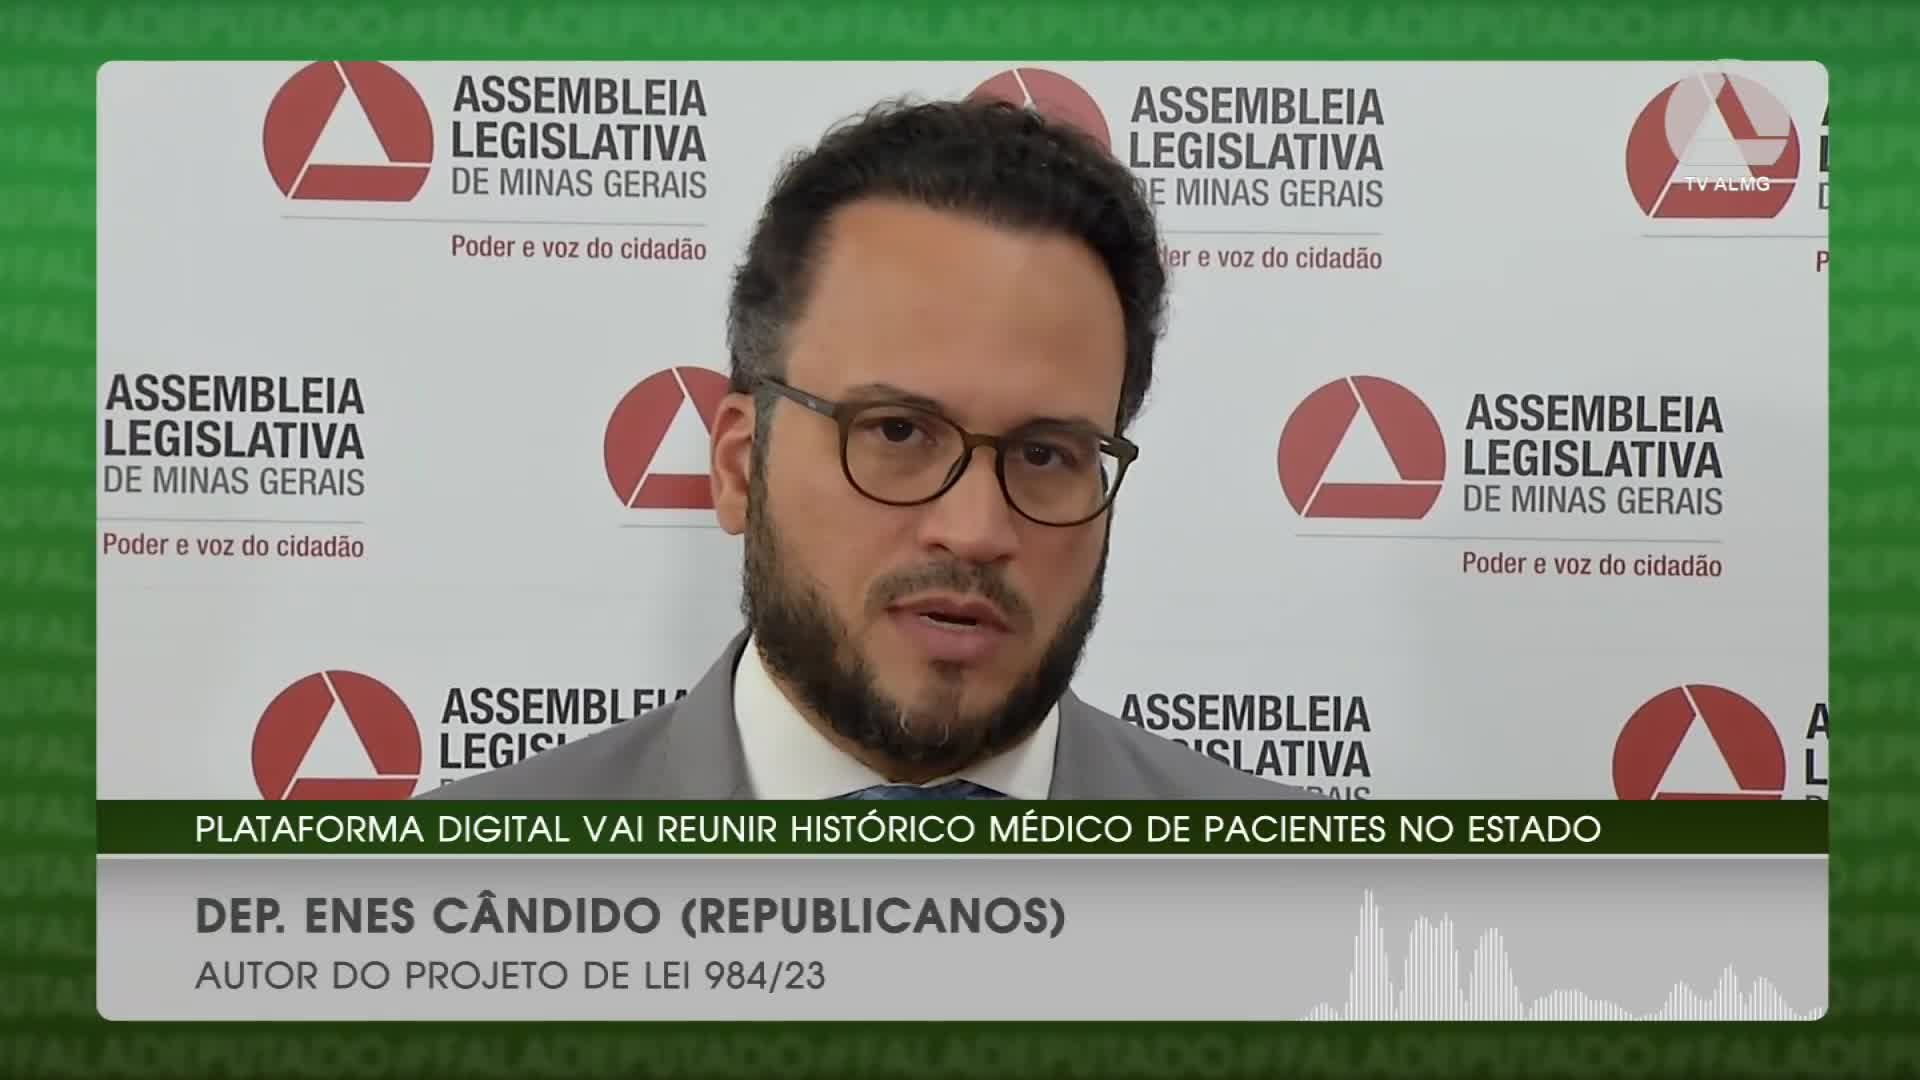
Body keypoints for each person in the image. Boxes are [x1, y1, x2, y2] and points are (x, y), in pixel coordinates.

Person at [423, 98, 1318, 801]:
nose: (975, 530)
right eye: (896, 433)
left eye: (1046, 455)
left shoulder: (1306, 899)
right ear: (739, 464)